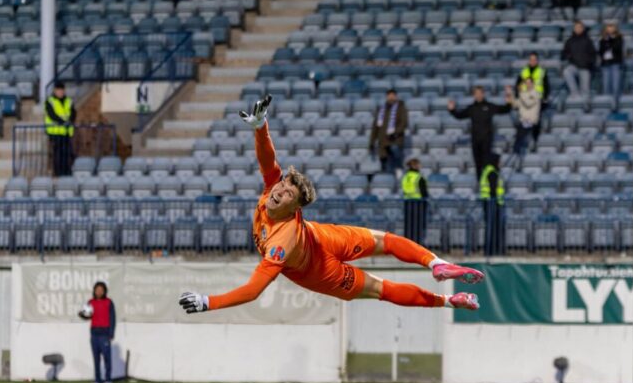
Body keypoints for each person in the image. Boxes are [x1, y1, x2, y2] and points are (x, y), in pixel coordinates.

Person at [178, 96, 484, 316]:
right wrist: (260, 127)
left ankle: (436, 264)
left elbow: (252, 291)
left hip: (322, 246)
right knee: (382, 285)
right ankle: (448, 300)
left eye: (287, 193)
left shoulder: (281, 242)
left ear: (295, 209)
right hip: (321, 267)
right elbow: (268, 162)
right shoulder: (274, 195)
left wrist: (207, 302)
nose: (279, 190)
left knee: (386, 248)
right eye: (282, 186)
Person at [447, 85, 513, 178]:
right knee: (478, 164)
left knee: (487, 164)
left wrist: (509, 98)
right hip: (475, 140)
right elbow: (459, 115)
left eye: (480, 93)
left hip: (487, 140)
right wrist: (452, 110)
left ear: (483, 94)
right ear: (474, 95)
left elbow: (505, 110)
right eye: (476, 93)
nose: (478, 95)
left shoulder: (489, 106)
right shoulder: (471, 108)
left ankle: (489, 182)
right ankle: (480, 183)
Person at [78, 281, 116, 383]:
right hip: (94, 332)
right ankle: (97, 380)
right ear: (94, 291)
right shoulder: (90, 302)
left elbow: (112, 318)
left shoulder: (109, 302)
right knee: (96, 358)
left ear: (104, 291)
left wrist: (111, 333)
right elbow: (88, 316)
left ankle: (108, 380)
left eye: (101, 290)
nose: (99, 292)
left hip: (105, 332)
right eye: (97, 290)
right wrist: (82, 315)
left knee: (107, 358)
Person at [513, 52, 548, 149]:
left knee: (535, 122)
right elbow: (518, 85)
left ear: (537, 60)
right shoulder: (524, 71)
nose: (533, 61)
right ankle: (521, 143)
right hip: (524, 101)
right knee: (522, 122)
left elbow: (546, 86)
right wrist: (517, 97)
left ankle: (534, 140)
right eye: (531, 59)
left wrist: (544, 99)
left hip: (537, 101)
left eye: (534, 59)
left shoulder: (541, 71)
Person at [368, 89, 408, 174]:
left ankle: (399, 175)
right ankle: (387, 176)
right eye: (389, 95)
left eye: (393, 95)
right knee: (384, 164)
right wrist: (372, 142)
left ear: (396, 97)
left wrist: (395, 133)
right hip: (383, 141)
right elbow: (375, 127)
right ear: (387, 97)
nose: (391, 97)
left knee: (396, 159)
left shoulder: (401, 107)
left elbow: (404, 123)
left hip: (395, 140)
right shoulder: (381, 109)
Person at [45, 81, 76, 177]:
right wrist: (63, 122)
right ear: (55, 91)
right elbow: (52, 115)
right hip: (55, 132)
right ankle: (58, 173)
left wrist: (69, 120)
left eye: (62, 90)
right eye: (58, 90)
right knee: (57, 154)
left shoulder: (69, 101)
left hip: (66, 132)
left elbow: (73, 113)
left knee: (66, 153)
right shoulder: (50, 101)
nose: (60, 92)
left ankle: (66, 172)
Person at [561, 21, 596, 101]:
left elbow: (593, 54)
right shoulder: (570, 41)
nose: (578, 29)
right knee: (566, 71)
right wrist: (569, 56)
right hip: (574, 66)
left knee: (585, 92)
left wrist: (589, 64)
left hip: (585, 68)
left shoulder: (588, 41)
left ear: (583, 29)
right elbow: (564, 54)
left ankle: (584, 104)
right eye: (576, 27)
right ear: (574, 29)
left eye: (580, 27)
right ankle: (575, 93)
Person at [511, 79, 541, 170]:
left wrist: (520, 92)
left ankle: (519, 157)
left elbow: (528, 103)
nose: (527, 85)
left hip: (531, 121)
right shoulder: (523, 94)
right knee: (519, 137)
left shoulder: (535, 94)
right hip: (523, 121)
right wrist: (510, 94)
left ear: (533, 84)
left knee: (520, 136)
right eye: (526, 83)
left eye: (529, 83)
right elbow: (515, 105)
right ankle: (517, 157)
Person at [480, 153, 506, 257]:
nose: (500, 163)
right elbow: (493, 190)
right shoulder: (492, 172)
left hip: (488, 203)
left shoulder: (487, 171)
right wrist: (496, 202)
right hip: (493, 204)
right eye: (499, 161)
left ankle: (490, 250)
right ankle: (494, 250)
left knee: (491, 227)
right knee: (494, 228)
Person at [400, 158, 429, 245]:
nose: (420, 166)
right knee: (418, 226)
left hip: (407, 203)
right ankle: (417, 245)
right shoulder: (419, 177)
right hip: (419, 204)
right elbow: (424, 192)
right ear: (415, 165)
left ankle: (408, 245)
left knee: (409, 226)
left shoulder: (405, 177)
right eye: (418, 164)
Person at [598, 22, 625, 106]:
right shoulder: (602, 39)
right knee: (606, 85)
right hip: (605, 64)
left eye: (611, 27)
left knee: (615, 85)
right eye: (608, 27)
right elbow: (601, 51)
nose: (610, 29)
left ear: (615, 28)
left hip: (615, 63)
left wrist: (610, 41)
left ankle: (615, 104)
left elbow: (617, 48)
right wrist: (607, 42)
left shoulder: (619, 38)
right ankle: (607, 105)